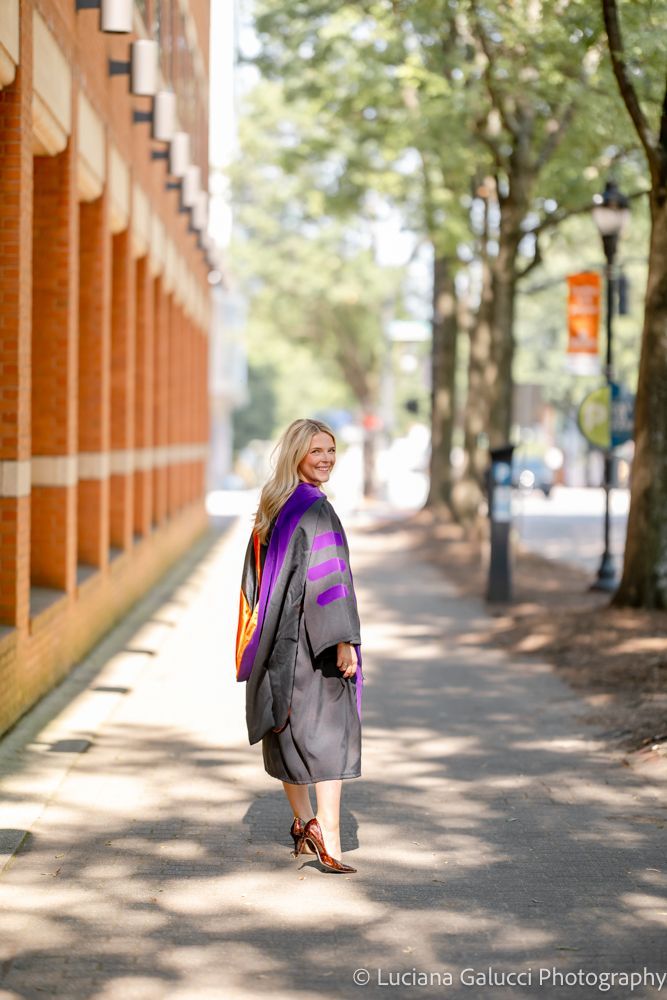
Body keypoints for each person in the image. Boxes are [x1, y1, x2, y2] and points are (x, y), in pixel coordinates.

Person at [235, 418, 363, 873]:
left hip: (276, 638)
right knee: (329, 734)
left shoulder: (275, 505)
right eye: (317, 452)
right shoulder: (316, 509)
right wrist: (343, 639)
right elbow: (332, 581)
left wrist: (259, 640)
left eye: (331, 450)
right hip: (314, 641)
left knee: (284, 728)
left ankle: (304, 822)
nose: (326, 459)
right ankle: (329, 835)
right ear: (297, 456)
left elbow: (253, 580)